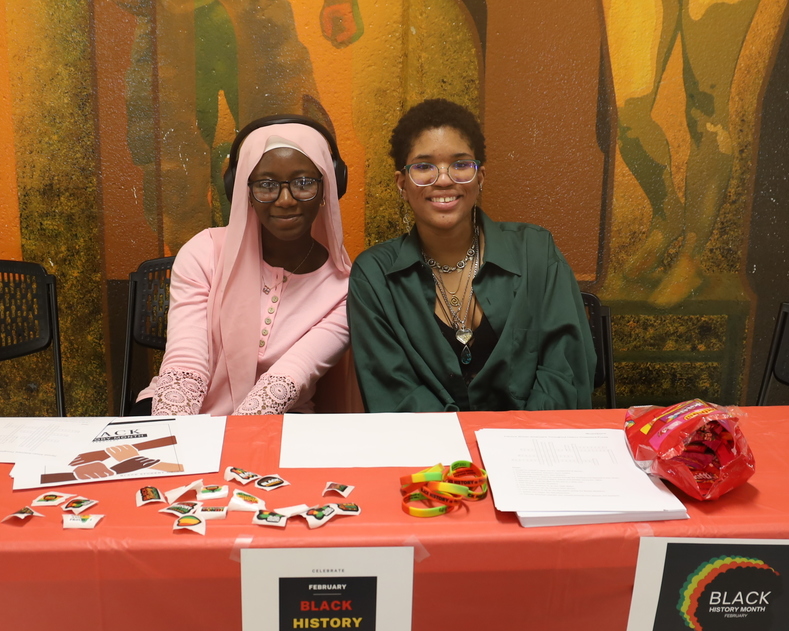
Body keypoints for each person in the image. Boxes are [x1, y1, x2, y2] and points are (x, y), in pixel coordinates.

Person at [348, 99, 596, 412]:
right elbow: (394, 394)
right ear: (402, 184)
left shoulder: (536, 253)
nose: (444, 179)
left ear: (480, 177)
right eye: (424, 166)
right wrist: (461, 458)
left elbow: (566, 372)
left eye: (461, 164)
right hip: (431, 456)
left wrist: (515, 449)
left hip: (533, 450)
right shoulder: (374, 277)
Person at [135, 116, 351, 415]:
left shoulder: (345, 288)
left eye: (303, 183)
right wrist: (178, 442)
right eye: (266, 184)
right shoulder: (204, 252)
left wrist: (231, 446)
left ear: (329, 185)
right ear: (243, 190)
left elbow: (289, 377)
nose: (285, 200)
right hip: (180, 410)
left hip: (276, 417)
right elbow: (186, 361)